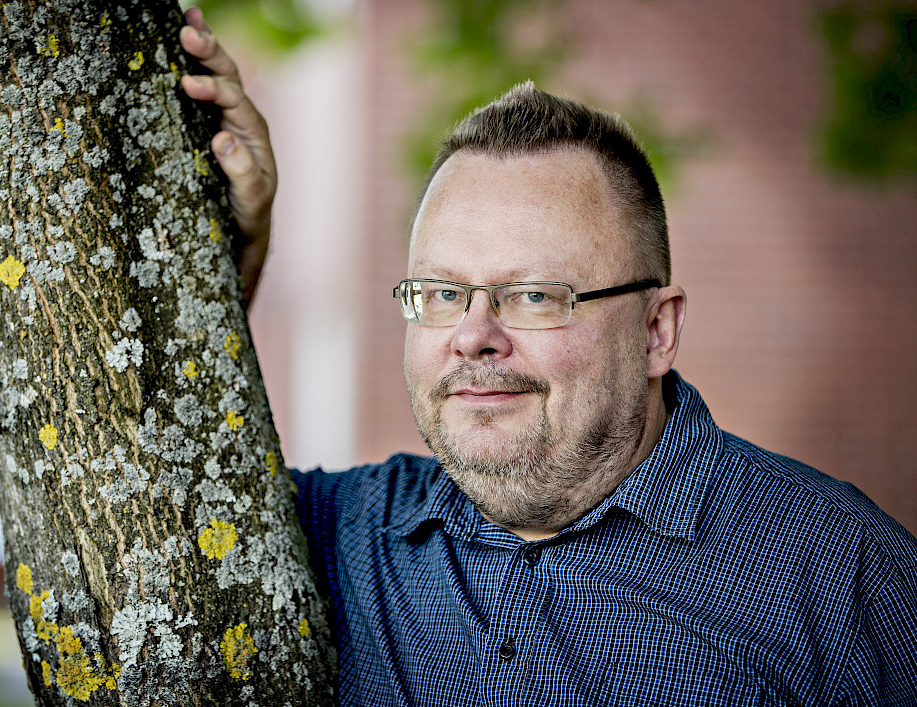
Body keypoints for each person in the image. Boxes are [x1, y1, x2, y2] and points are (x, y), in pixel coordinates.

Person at [179, 9, 917, 706]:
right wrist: (232, 249)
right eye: (440, 293)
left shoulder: (845, 577)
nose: (474, 335)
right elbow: (155, 471)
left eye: (534, 295)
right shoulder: (339, 538)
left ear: (656, 330)